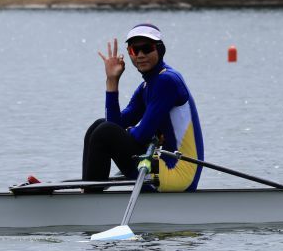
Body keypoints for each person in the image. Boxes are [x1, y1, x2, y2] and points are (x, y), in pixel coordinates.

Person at [82, 23, 205, 192]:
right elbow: (114, 124)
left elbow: (142, 135)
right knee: (98, 126)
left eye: (147, 49)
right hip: (162, 163)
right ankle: (88, 190)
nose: (140, 55)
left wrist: (128, 131)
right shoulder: (146, 86)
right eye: (134, 50)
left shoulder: (167, 81)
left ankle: (89, 198)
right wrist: (112, 81)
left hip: (179, 173)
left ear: (160, 50)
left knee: (104, 132)